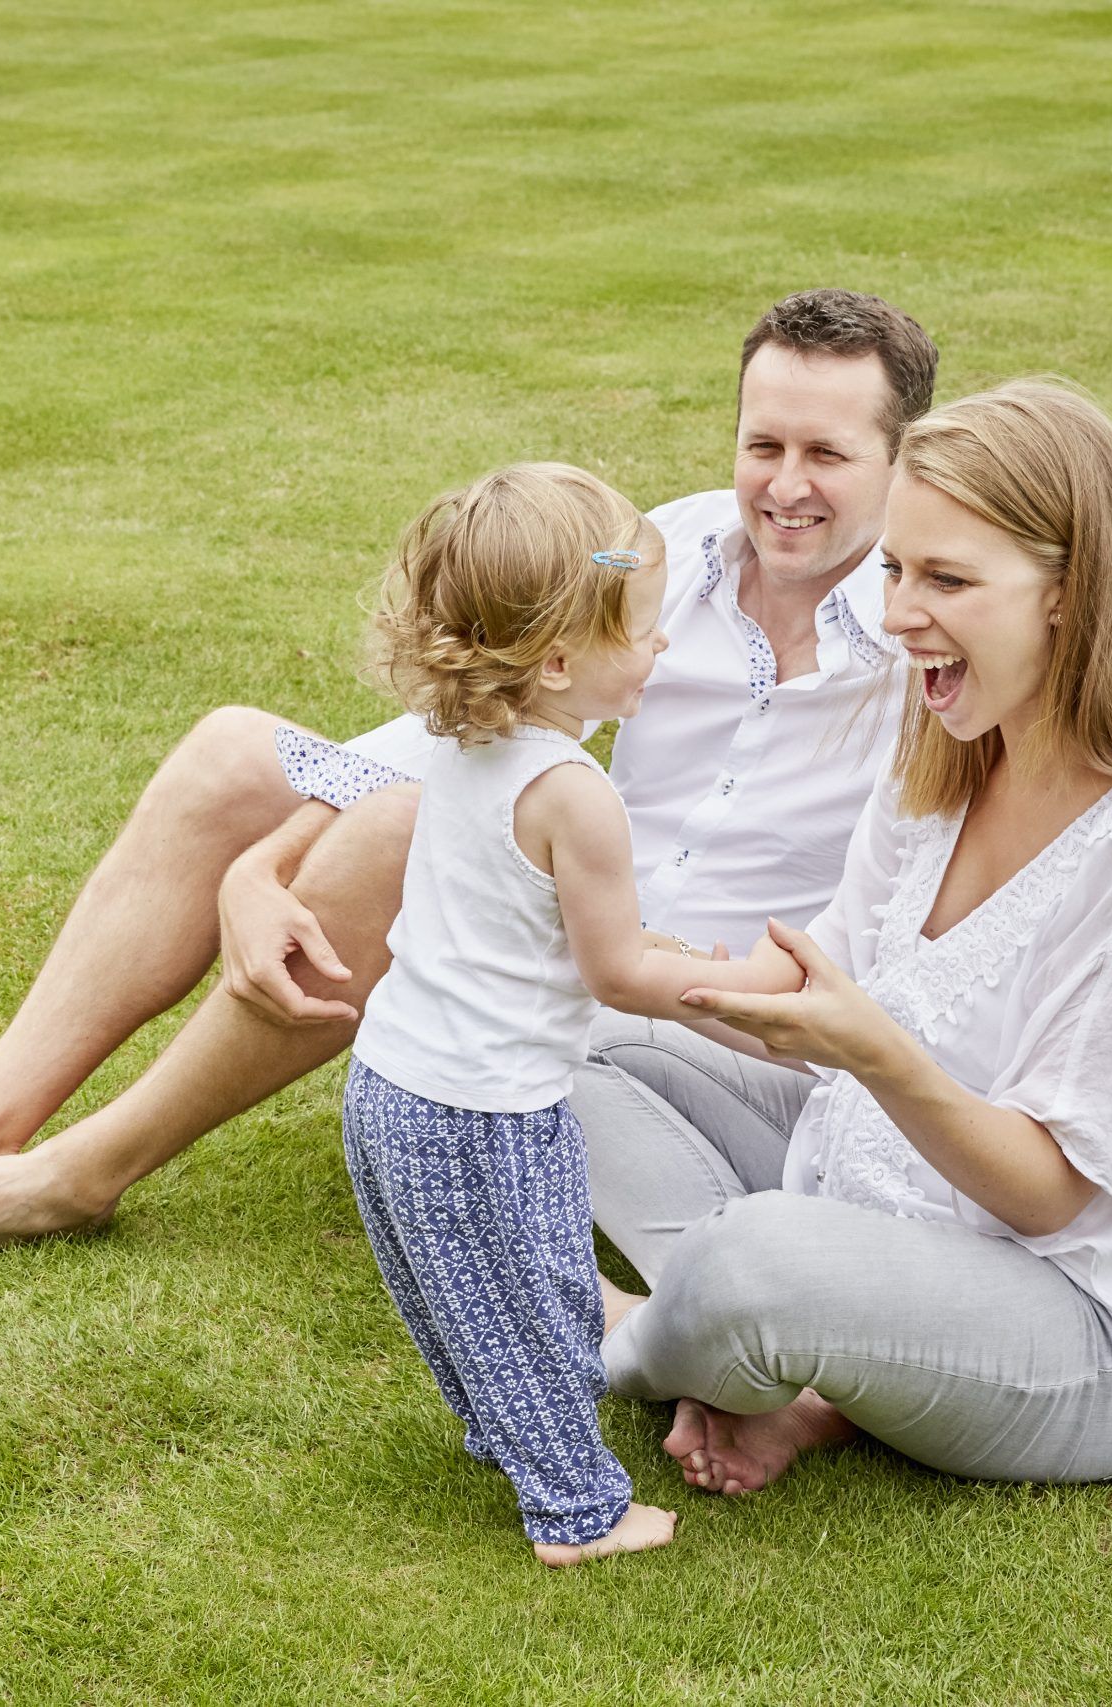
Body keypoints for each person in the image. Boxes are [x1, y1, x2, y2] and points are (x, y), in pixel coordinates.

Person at [0, 291, 1112, 1256]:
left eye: (826, 456)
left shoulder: (946, 638)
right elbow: (468, 721)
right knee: (241, 755)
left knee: (383, 850)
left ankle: (80, 1177)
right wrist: (254, 861)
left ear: (903, 461)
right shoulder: (663, 554)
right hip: (563, 873)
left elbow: (1104, 843)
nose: (782, 487)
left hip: (681, 986)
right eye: (761, 441)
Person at [582, 380, 1112, 1498]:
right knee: (581, 1036)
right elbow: (809, 985)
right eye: (894, 568)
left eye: (946, 579)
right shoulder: (950, 747)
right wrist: (600, 962)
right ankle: (793, 1344)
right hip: (880, 1191)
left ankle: (644, 1335)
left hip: (1089, 1325)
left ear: (1072, 596)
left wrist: (874, 1051)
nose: (897, 614)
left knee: (754, 1265)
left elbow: (1050, 1198)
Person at [340, 462, 801, 1565]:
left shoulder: (462, 737)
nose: (662, 650)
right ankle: (578, 1513)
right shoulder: (572, 795)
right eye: (643, 630)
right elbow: (616, 975)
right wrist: (748, 993)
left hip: (390, 1079)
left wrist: (678, 949)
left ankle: (500, 1437)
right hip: (484, 1109)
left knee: (456, 1293)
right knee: (542, 1303)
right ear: (555, 660)